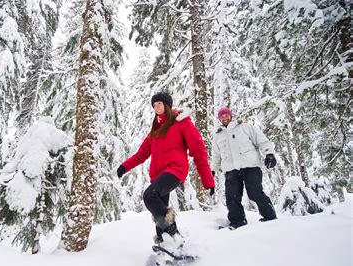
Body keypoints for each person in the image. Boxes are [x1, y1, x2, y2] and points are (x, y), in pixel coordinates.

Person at [117, 92, 215, 248]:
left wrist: (207, 180)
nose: (156, 108)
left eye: (159, 104)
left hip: (175, 170)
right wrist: (124, 167)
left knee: (149, 196)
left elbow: (199, 151)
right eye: (154, 105)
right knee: (158, 211)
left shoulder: (182, 123)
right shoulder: (155, 131)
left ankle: (175, 234)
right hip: (158, 175)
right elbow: (141, 154)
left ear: (167, 105)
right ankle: (166, 247)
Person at [211, 106, 277, 229]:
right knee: (232, 197)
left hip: (250, 166)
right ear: (219, 119)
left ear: (231, 116)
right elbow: (216, 156)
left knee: (255, 193)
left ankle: (270, 217)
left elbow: (261, 140)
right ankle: (237, 222)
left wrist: (269, 154)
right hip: (231, 170)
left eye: (226, 115)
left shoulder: (245, 127)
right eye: (222, 116)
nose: (225, 118)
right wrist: (212, 170)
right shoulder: (218, 136)